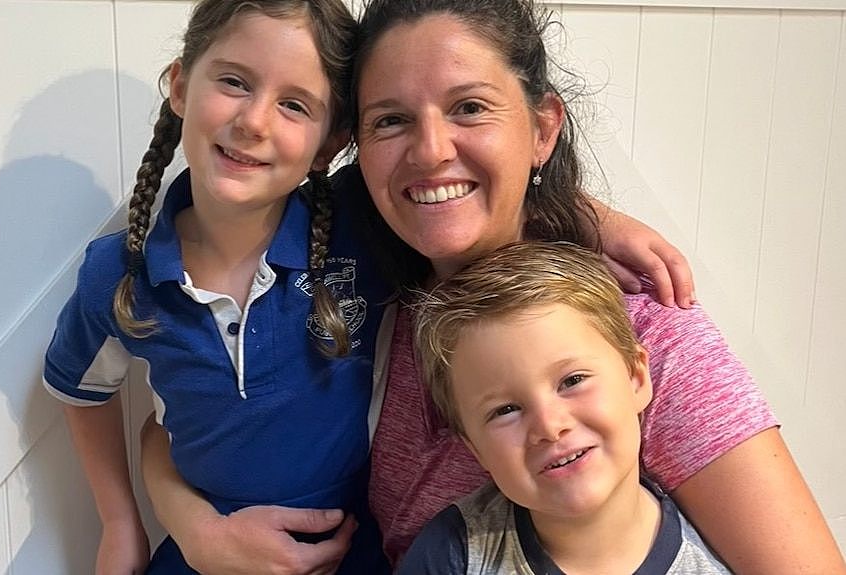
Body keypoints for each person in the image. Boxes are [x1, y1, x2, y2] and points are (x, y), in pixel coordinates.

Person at [140, 0, 846, 573]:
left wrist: (575, 212)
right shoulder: (357, 287)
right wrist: (196, 529)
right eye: (391, 119)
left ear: (542, 128)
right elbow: (175, 417)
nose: (430, 149)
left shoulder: (639, 334)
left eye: (470, 107)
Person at [42, 1, 395, 573]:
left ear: (330, 143)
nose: (254, 121)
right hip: (201, 555)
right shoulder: (118, 275)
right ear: (180, 86)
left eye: (294, 105)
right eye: (234, 81)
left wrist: (598, 226)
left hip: (351, 549)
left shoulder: (365, 225)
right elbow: (82, 392)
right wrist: (118, 519)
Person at [399, 241, 730, 574]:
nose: (549, 426)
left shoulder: (715, 557)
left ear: (636, 377)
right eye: (505, 410)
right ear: (475, 448)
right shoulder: (449, 555)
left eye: (572, 381)